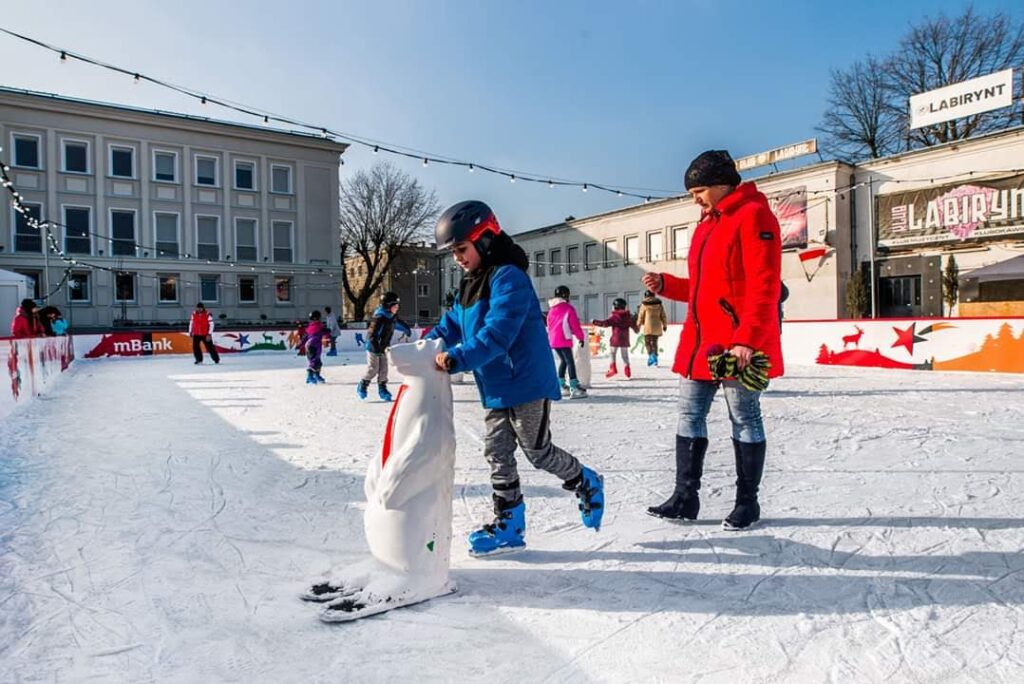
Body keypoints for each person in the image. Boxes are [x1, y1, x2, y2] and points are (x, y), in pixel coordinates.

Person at [426, 200, 605, 556]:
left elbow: (498, 334)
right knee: (497, 452)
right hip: (495, 384)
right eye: (453, 252)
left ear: (485, 239)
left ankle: (586, 480)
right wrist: (423, 345)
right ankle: (509, 524)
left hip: (525, 382)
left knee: (537, 452)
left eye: (461, 249)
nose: (457, 258)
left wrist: (457, 357)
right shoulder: (470, 283)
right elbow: (451, 325)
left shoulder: (509, 278)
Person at [642, 150, 784, 531]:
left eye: (699, 192)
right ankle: (685, 497)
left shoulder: (754, 215)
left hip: (738, 342)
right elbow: (704, 288)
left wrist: (747, 340)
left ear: (722, 184)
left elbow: (765, 284)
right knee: (689, 414)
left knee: (744, 417)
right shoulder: (707, 224)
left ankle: (747, 503)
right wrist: (666, 285)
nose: (696, 200)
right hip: (701, 343)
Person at [357, 291, 410, 402]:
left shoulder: (392, 316)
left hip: (384, 347)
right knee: (373, 369)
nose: (397, 308)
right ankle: (363, 385)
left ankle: (382, 389)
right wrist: (376, 348)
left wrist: (406, 329)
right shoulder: (379, 317)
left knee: (384, 369)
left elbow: (397, 324)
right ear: (388, 306)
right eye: (395, 306)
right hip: (373, 347)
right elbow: (372, 335)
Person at [546, 285, 587, 399]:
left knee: (564, 361)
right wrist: (580, 337)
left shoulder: (551, 310)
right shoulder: (568, 308)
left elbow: (549, 325)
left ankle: (561, 385)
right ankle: (574, 387)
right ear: (566, 295)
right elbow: (574, 325)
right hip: (563, 339)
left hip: (553, 340)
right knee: (570, 362)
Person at [592, 298, 639, 379]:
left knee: (612, 353)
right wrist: (636, 330)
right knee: (625, 355)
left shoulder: (614, 317)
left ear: (615, 307)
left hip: (615, 339)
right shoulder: (628, 317)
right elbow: (634, 326)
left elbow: (605, 323)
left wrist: (595, 322)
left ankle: (613, 368)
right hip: (625, 339)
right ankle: (627, 370)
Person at [637, 290, 668, 366]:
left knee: (647, 342)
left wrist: (638, 325)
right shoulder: (659, 304)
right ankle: (655, 359)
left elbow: (641, 316)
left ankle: (652, 356)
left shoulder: (644, 304)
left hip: (648, 326)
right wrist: (665, 325)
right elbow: (663, 315)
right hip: (657, 326)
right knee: (654, 343)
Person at [303, 310, 327, 384]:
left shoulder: (310, 326)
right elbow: (324, 331)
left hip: (309, 346)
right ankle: (310, 376)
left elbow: (305, 336)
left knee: (318, 363)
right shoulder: (319, 326)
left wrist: (301, 343)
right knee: (314, 362)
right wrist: (328, 331)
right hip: (314, 347)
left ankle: (316, 375)